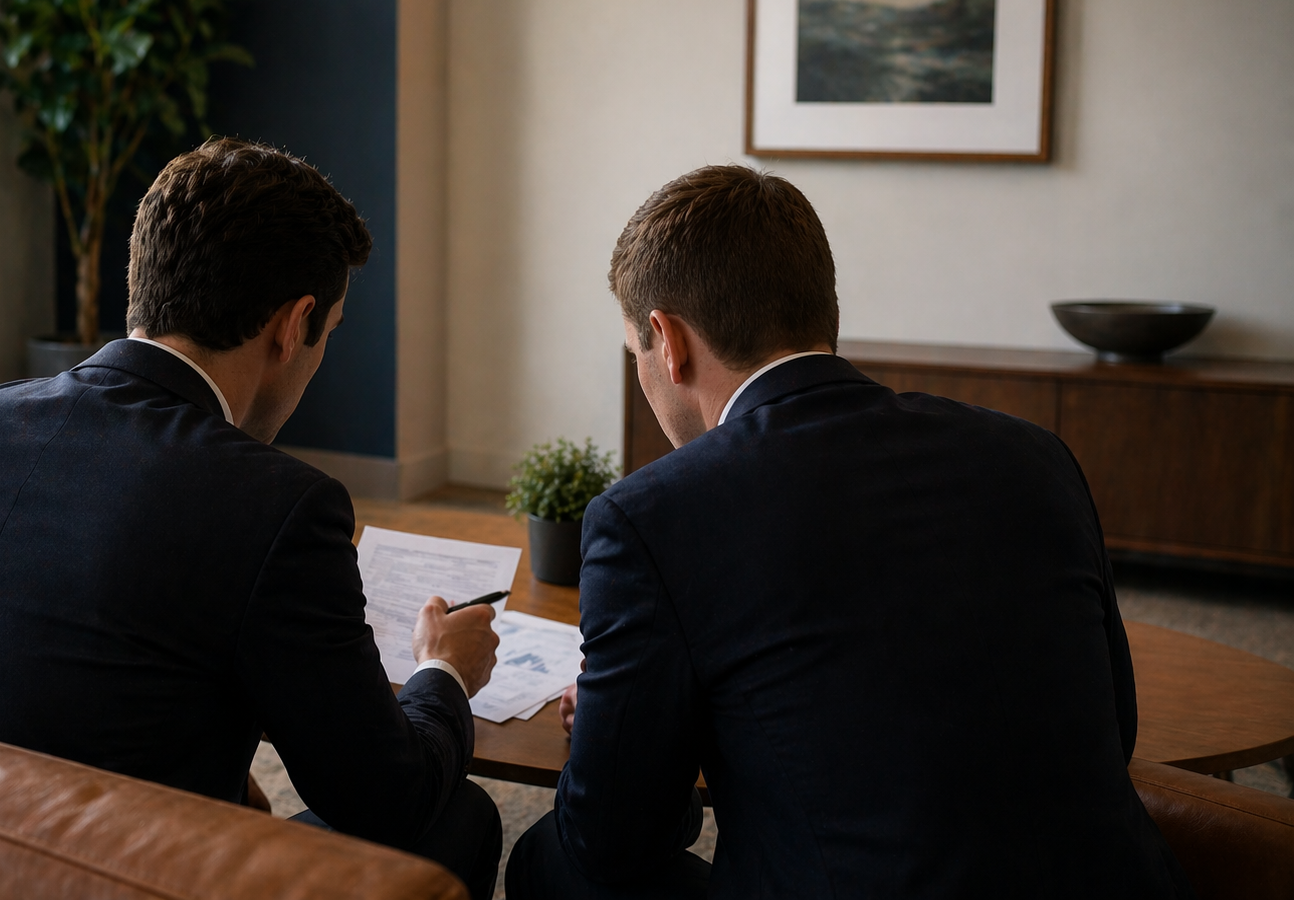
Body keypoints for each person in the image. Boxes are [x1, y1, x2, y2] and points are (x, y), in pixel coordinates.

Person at [506, 165, 1193, 899]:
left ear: (665, 342)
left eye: (634, 351)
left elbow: (611, 840)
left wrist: (622, 733)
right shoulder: (1036, 455)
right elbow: (1114, 730)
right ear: (824, 308)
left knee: (549, 858)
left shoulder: (652, 515)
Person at [0, 137, 503, 898]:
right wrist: (443, 668)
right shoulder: (274, 503)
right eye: (331, 331)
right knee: (457, 819)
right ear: (294, 325)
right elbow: (385, 797)